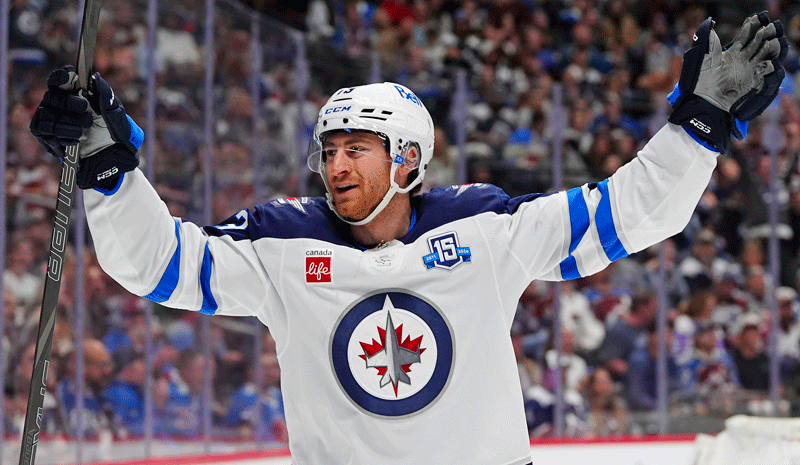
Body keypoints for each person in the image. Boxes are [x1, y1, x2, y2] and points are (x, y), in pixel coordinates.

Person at [29, 12, 787, 464]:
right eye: (329, 148)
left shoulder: (486, 228)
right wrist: (107, 168)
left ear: (409, 159)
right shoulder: (280, 245)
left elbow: (633, 213)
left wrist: (699, 126)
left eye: (357, 146)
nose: (337, 163)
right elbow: (154, 263)